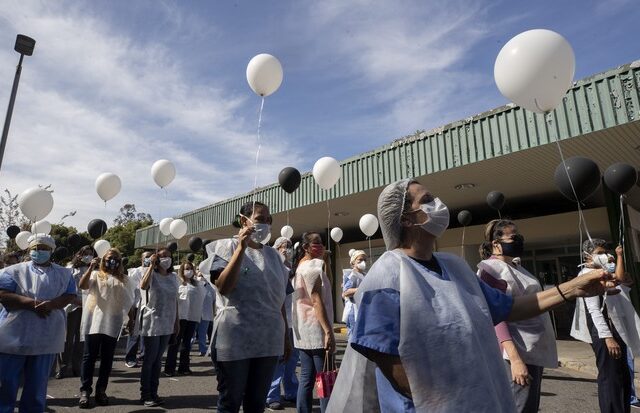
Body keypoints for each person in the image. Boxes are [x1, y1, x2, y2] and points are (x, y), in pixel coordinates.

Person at [327, 179, 619, 412]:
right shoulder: (387, 275)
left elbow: (511, 308)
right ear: (405, 219)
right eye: (427, 200)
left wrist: (572, 289)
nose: (438, 204)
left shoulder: (455, 267)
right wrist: (441, 402)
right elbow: (385, 358)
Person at [201, 201, 290, 413]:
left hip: (268, 339)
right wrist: (241, 248)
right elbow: (223, 287)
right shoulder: (225, 247)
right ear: (244, 221)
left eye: (269, 220)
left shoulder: (275, 257)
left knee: (256, 403)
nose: (266, 224)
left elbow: (280, 300)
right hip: (234, 338)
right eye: (260, 219)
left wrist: (285, 336)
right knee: (230, 401)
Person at [477, 219, 557, 413]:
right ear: (496, 244)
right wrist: (515, 359)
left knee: (530, 406)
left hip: (533, 351)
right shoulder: (490, 269)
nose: (519, 240)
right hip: (516, 353)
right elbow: (496, 316)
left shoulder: (517, 268)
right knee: (518, 406)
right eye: (513, 237)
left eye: (519, 236)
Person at [0, 234, 76, 413]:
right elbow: (3, 295)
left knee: (37, 386)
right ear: (28, 250)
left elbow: (69, 295)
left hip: (46, 338)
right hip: (14, 337)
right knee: (6, 383)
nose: (38, 251)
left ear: (51, 250)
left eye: (43, 248)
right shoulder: (14, 271)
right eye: (35, 248)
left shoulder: (64, 273)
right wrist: (32, 305)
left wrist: (51, 305)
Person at [571, 239, 638, 413]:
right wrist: (607, 338)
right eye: (599, 253)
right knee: (610, 377)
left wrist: (619, 258)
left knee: (622, 375)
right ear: (587, 257)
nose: (604, 256)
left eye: (605, 252)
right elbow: (594, 310)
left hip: (616, 331)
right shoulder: (586, 275)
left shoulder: (605, 273)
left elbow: (621, 280)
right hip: (604, 331)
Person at [78, 248, 134, 408]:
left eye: (116, 258)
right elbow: (82, 285)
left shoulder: (125, 279)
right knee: (89, 357)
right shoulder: (96, 275)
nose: (112, 260)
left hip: (113, 322)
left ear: (120, 261)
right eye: (110, 257)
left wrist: (131, 320)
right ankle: (85, 391)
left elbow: (129, 301)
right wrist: (90, 268)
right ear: (103, 259)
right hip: (94, 321)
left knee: (107, 359)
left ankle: (101, 390)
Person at [292, 232, 335, 413]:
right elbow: (317, 300)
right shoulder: (311, 267)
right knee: (325, 378)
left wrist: (326, 262)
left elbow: (328, 283)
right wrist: (328, 331)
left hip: (303, 330)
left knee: (306, 378)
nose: (321, 246)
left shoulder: (301, 266)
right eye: (316, 243)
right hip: (316, 329)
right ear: (305, 247)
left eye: (322, 243)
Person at [139, 248, 180, 407]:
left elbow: (175, 300)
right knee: (150, 359)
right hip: (153, 322)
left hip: (167, 322)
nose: (166, 259)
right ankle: (145, 394)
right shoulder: (152, 275)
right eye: (162, 257)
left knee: (158, 361)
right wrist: (151, 266)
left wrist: (176, 322)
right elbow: (143, 286)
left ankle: (154, 393)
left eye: (169, 257)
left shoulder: (173, 277)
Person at [52, 245, 95, 379]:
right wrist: (75, 301)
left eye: (90, 253)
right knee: (67, 339)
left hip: (89, 307)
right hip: (72, 306)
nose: (88, 256)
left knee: (82, 339)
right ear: (79, 254)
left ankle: (77, 367)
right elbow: (65, 287)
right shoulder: (70, 268)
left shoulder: (95, 269)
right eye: (85, 253)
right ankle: (63, 368)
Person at [266, 236, 299, 410]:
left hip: (294, 322)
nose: (287, 249)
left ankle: (292, 392)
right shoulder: (274, 268)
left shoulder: (292, 269)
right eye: (284, 246)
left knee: (292, 359)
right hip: (279, 321)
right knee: (279, 359)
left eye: (289, 246)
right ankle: (272, 395)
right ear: (276, 248)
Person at [164, 259, 206, 376]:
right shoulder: (178, 282)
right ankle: (169, 368)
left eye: (191, 269)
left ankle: (184, 367)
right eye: (187, 269)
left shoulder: (197, 284)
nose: (189, 271)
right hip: (180, 317)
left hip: (193, 317)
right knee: (175, 343)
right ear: (182, 271)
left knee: (187, 344)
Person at [124, 251, 151, 368]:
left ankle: (144, 355)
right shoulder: (136, 272)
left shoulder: (155, 271)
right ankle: (130, 357)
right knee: (134, 333)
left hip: (150, 307)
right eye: (146, 257)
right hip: (137, 306)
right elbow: (131, 291)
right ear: (141, 259)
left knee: (147, 332)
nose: (149, 259)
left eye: (151, 257)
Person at [342, 250, 367, 342]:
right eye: (360, 260)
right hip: (353, 310)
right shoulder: (351, 274)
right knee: (354, 338)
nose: (363, 262)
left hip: (361, 309)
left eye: (365, 260)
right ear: (353, 262)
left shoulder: (364, 275)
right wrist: (361, 289)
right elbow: (345, 292)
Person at [193, 269, 216, 357]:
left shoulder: (211, 289)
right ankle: (187, 350)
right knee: (192, 334)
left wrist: (214, 314)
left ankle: (203, 350)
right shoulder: (194, 286)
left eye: (202, 276)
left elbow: (214, 302)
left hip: (206, 315)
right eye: (199, 275)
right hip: (194, 314)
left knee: (203, 333)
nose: (201, 277)